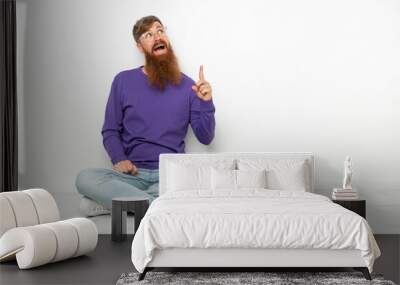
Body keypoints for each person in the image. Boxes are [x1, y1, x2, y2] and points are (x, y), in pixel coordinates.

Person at [75, 15, 215, 213]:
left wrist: (206, 102)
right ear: (140, 47)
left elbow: (206, 137)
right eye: (148, 34)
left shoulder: (188, 86)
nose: (157, 37)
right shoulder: (123, 81)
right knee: (85, 178)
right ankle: (158, 207)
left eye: (160, 30)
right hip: (133, 176)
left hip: (170, 175)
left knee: (87, 205)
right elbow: (110, 130)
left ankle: (126, 204)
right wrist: (118, 159)